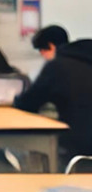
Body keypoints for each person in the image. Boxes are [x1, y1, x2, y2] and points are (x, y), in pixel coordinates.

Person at [14, 26, 92, 158]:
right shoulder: (85, 61)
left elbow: (28, 103)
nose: (43, 57)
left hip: (76, 146)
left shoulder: (57, 66)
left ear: (51, 46)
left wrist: (14, 100)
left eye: (42, 51)